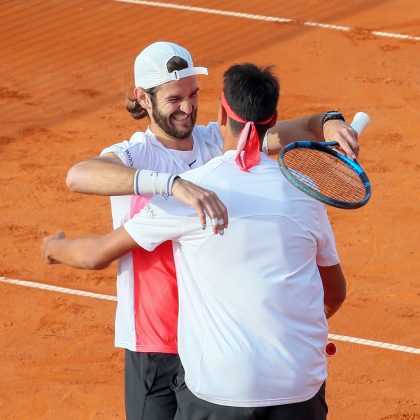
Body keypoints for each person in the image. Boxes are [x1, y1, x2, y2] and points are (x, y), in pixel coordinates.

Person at [63, 41, 357, 420]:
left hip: (211, 342)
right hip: (155, 341)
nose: (187, 107)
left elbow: (282, 127)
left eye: (193, 94)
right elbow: (78, 175)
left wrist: (328, 119)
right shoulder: (134, 154)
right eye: (174, 99)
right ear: (143, 98)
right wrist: (171, 184)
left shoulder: (213, 141)